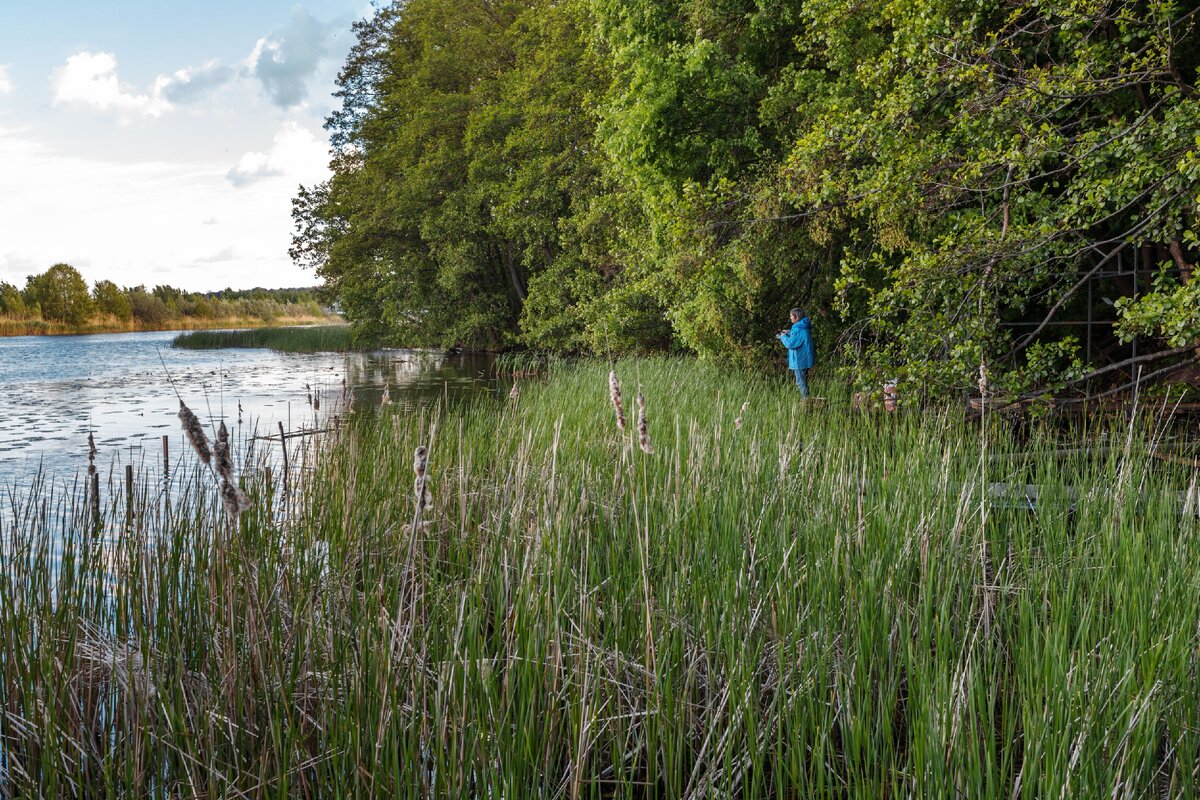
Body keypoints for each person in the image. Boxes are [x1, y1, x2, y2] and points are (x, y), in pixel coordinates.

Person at [778, 308, 813, 397]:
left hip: (800, 360)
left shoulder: (799, 330)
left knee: (800, 382)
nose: (790, 318)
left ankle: (805, 402)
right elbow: (797, 336)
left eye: (791, 316)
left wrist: (782, 336)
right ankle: (806, 400)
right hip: (803, 359)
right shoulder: (801, 327)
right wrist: (788, 332)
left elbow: (790, 344)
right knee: (802, 381)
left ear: (796, 317)